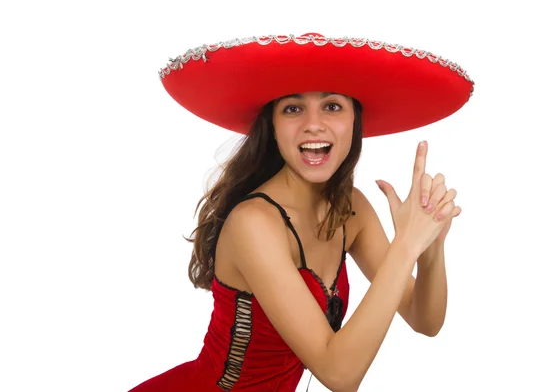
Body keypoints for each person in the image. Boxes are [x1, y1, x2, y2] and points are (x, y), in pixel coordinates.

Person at [129, 33, 474, 392]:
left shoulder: (351, 208)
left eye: (332, 106)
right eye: (293, 109)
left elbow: (425, 319)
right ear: (273, 128)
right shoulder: (254, 223)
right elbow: (340, 375)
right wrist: (405, 245)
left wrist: (428, 245)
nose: (313, 124)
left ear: (355, 121)